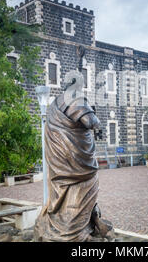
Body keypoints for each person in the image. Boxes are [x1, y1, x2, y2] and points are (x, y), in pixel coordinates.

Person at [34, 85, 112, 242]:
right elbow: (90, 121)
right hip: (78, 164)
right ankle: (77, 234)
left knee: (62, 196)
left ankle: (76, 227)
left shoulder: (55, 105)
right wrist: (96, 120)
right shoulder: (75, 98)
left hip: (59, 164)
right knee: (87, 188)